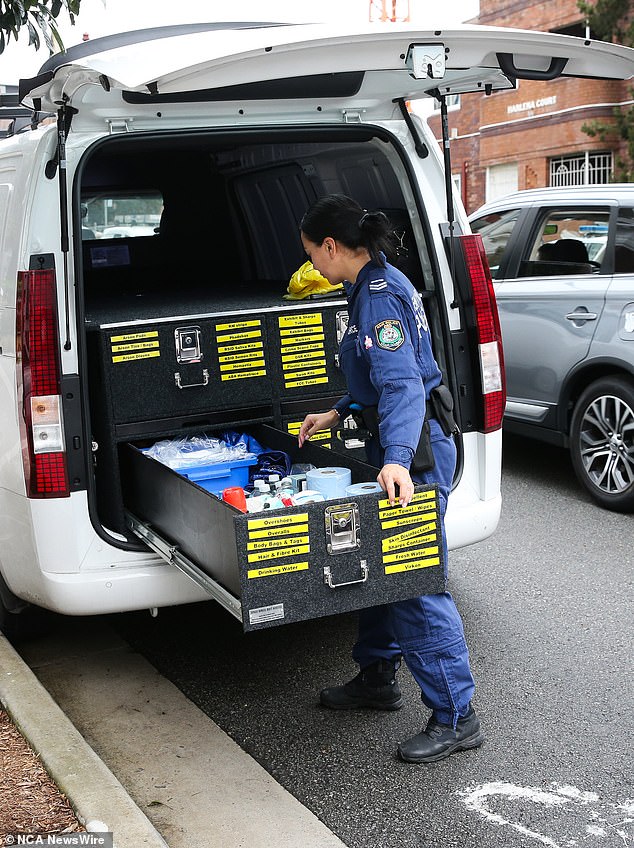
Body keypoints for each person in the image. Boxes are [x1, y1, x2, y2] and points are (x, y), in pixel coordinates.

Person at [297, 194, 484, 764]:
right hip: (403, 442)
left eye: (311, 255)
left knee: (416, 583)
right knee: (380, 567)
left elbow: (403, 385)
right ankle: (378, 676)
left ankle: (457, 715)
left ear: (332, 247)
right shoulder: (367, 287)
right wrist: (336, 410)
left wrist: (398, 458)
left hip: (419, 449)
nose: (310, 268)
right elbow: (375, 379)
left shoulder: (378, 297)